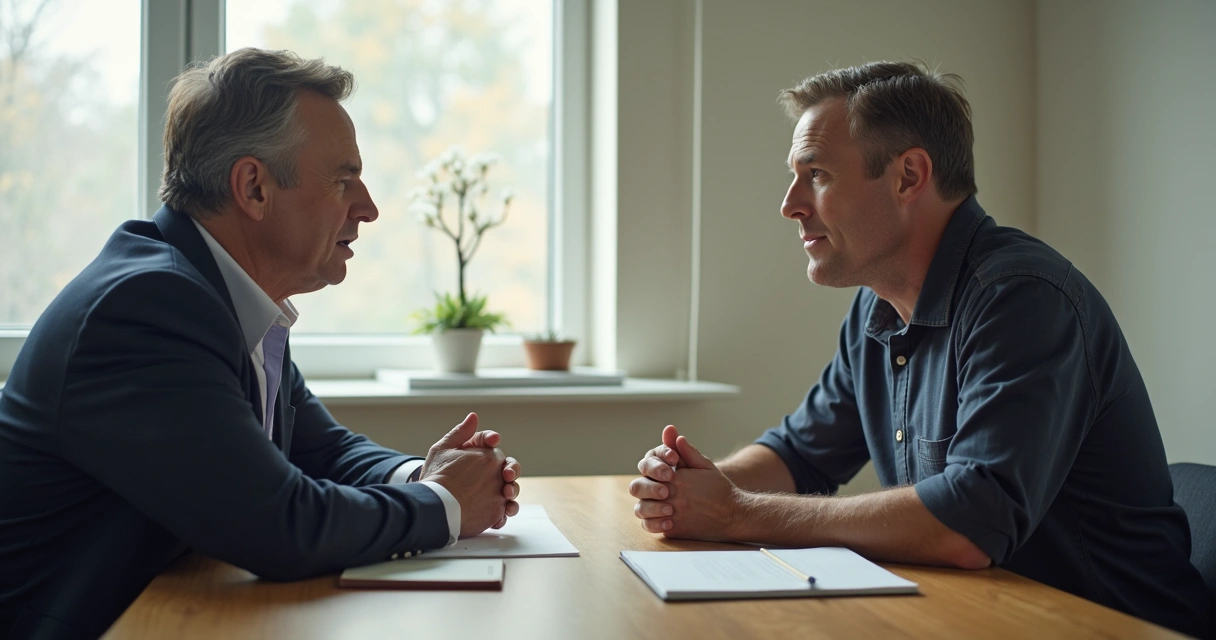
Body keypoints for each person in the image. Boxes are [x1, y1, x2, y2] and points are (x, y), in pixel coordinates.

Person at [629, 61, 1210, 637]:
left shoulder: (1022, 299)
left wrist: (733, 512)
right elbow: (800, 454)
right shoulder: (877, 307)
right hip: (977, 620)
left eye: (817, 174)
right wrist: (693, 487)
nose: (791, 204)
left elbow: (969, 524)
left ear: (909, 176)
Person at [0, 48, 521, 639]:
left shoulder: (221, 295)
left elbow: (320, 452)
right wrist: (445, 504)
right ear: (253, 188)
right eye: (343, 180)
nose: (369, 208)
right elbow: (279, 526)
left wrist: (422, 474)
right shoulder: (147, 308)